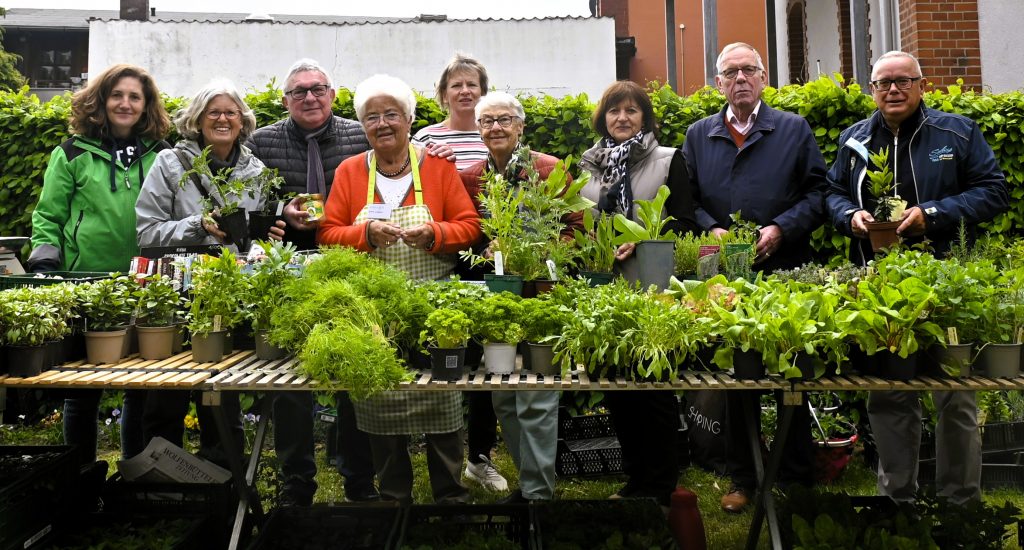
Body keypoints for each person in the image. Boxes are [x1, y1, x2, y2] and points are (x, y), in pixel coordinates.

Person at [826, 51, 1009, 504]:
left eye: (903, 81)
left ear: (922, 85)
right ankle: (897, 503)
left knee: (957, 397)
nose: (893, 89)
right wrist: (849, 215)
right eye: (883, 83)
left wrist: (933, 213)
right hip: (879, 291)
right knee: (887, 396)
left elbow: (993, 191)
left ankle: (960, 506)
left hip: (949, 285)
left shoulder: (956, 132)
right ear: (872, 90)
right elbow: (829, 193)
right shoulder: (854, 141)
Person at [318, 74, 481, 505]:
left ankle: (450, 495)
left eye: (392, 113)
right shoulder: (351, 171)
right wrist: (366, 233)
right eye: (372, 116)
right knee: (380, 397)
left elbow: (470, 226)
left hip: (435, 308)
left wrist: (433, 233)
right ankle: (393, 497)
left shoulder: (438, 166)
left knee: (443, 398)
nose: (383, 123)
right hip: (375, 310)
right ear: (363, 126)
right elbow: (328, 233)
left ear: (409, 119)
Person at [684, 42, 827, 513]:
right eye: (731, 72)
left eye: (750, 70)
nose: (741, 78)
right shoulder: (698, 135)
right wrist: (713, 230)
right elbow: (686, 203)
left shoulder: (792, 128)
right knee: (734, 372)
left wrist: (780, 229)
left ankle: (798, 475)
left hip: (785, 267)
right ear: (718, 83)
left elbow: (818, 194)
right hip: (721, 267)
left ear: (764, 79)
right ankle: (744, 477)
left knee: (793, 374)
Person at [245, 58, 378, 506]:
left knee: (353, 363)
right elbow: (250, 201)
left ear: (333, 95)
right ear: (285, 100)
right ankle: (296, 479)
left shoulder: (361, 135)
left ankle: (358, 475)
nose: (309, 97)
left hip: (350, 258)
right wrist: (283, 211)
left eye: (318, 89)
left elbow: (397, 172)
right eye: (299, 91)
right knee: (288, 374)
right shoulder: (261, 141)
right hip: (288, 264)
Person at [28, 63, 171, 467]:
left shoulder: (161, 155)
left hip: (144, 281)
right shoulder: (71, 152)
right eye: (117, 95)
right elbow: (48, 215)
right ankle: (79, 478)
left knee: (138, 386)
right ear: (102, 100)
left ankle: (132, 474)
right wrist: (45, 260)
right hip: (85, 281)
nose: (125, 104)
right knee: (82, 389)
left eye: (135, 97)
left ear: (146, 107)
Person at [135, 79, 283, 466]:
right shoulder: (170, 164)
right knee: (167, 391)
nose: (222, 119)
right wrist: (197, 225)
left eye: (230, 112)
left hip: (228, 297)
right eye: (212, 112)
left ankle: (222, 484)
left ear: (243, 121)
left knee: (222, 393)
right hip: (176, 294)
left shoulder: (257, 170)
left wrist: (269, 234)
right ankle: (160, 481)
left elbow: (255, 241)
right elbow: (147, 232)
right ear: (197, 120)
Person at [579, 80, 700, 508]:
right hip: (605, 290)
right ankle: (635, 480)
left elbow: (684, 223)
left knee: (654, 387)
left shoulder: (668, 160)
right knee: (616, 387)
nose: (622, 118)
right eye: (614, 111)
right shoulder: (588, 167)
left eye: (632, 111)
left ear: (645, 119)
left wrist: (642, 240)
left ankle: (661, 483)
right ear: (603, 118)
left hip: (653, 289)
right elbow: (578, 224)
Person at [460, 92, 583, 503]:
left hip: (542, 297)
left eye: (504, 120)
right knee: (503, 398)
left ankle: (537, 492)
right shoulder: (473, 175)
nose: (495, 127)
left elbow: (576, 226)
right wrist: (484, 249)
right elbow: (469, 231)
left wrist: (542, 249)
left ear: (521, 126)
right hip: (500, 300)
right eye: (487, 121)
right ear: (477, 129)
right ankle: (531, 484)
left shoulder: (547, 169)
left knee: (536, 397)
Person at [414, 53, 508, 493]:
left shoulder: (497, 129)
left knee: (490, 364)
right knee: (457, 362)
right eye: (457, 85)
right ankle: (445, 450)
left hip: (499, 260)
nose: (465, 91)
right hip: (448, 260)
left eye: (473, 84)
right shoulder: (427, 138)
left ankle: (480, 456)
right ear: (443, 93)